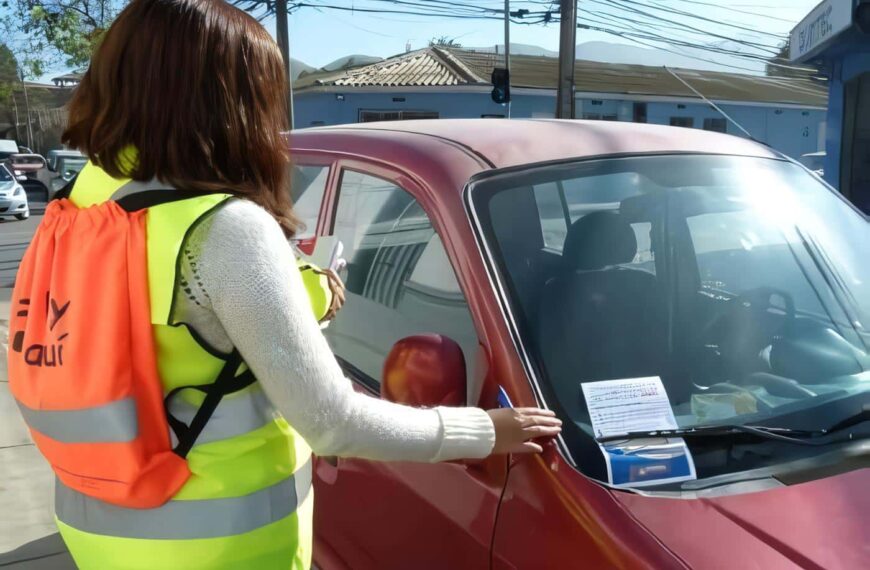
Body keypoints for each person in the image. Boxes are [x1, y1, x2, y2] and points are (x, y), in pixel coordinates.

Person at [34, 1, 561, 568]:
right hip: (216, 541)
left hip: (97, 520)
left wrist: (299, 292)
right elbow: (332, 422)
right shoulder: (224, 228)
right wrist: (483, 430)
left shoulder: (85, 200)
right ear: (225, 104)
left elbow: (166, 325)